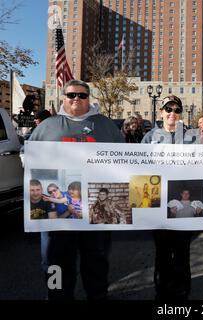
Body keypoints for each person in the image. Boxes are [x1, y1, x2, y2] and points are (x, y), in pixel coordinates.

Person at [29, 79, 125, 300]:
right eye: (71, 95)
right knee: (54, 261)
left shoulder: (105, 125)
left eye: (82, 95)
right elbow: (28, 157)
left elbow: (126, 159)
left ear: (88, 98)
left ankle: (98, 295)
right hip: (57, 213)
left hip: (96, 208)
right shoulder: (47, 126)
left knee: (97, 259)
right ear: (64, 97)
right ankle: (56, 296)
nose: (76, 99)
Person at [142, 95, 192, 301]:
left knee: (182, 250)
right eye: (168, 109)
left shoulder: (191, 136)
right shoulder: (149, 137)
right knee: (162, 251)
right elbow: (139, 167)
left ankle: (181, 292)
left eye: (176, 110)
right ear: (161, 112)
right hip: (158, 201)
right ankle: (162, 291)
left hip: (183, 199)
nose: (172, 113)